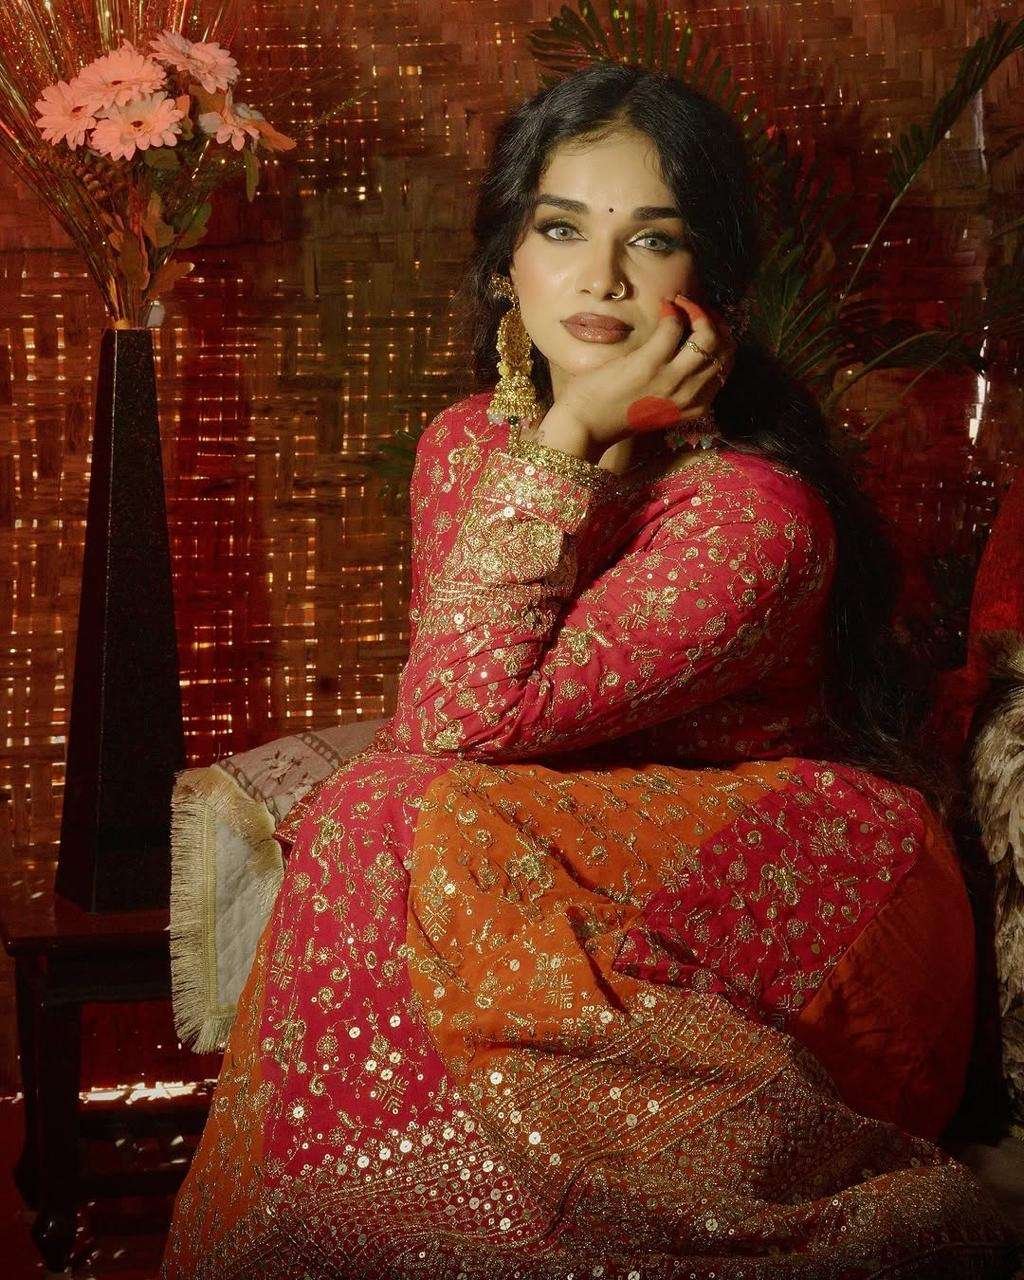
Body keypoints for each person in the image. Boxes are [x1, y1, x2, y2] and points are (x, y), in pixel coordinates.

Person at [161, 64, 1022, 1278]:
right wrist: (564, 445)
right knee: (389, 810)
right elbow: (455, 718)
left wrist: (568, 436)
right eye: (562, 229)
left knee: (386, 809)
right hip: (561, 834)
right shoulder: (467, 444)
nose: (602, 277)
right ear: (504, 265)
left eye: (651, 239)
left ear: (712, 283)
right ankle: (377, 1237)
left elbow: (459, 716)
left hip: (804, 880)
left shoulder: (754, 513)